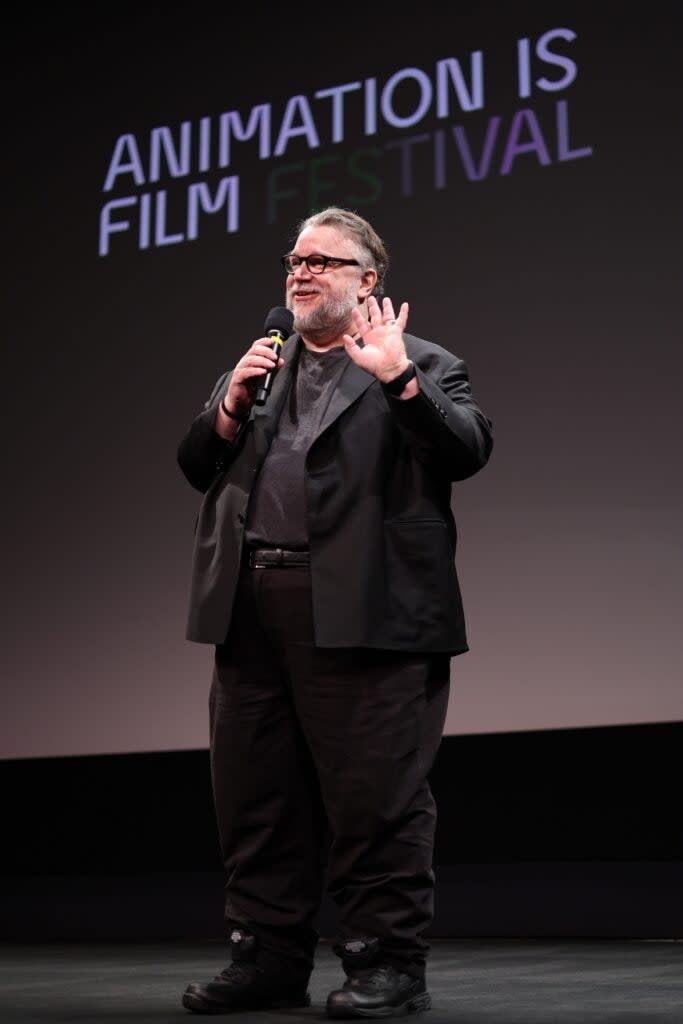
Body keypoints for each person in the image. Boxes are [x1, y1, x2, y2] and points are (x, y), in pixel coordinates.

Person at [177, 207, 493, 1018]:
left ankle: (385, 964)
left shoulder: (422, 361)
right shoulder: (258, 366)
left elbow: (463, 450)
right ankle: (266, 960)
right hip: (249, 606)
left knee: (374, 798)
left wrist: (399, 381)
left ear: (367, 280)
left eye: (322, 259)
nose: (301, 271)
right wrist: (227, 406)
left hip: (367, 609)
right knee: (256, 794)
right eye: (294, 259)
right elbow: (195, 464)